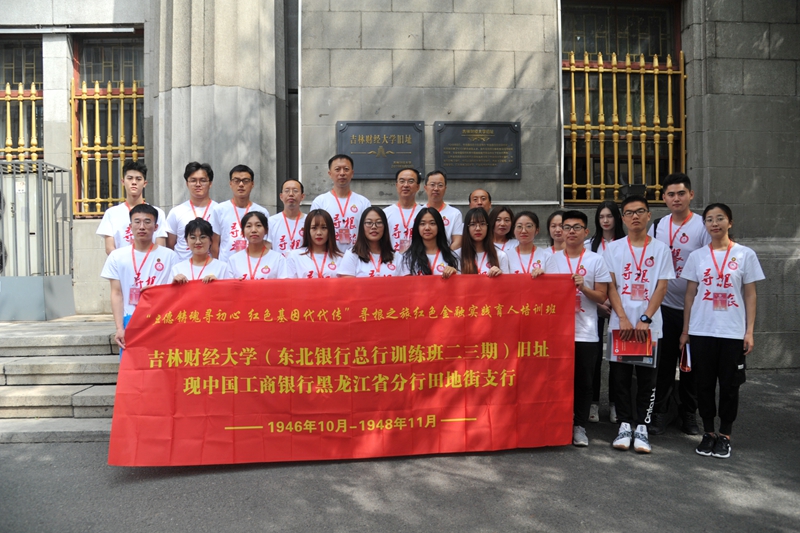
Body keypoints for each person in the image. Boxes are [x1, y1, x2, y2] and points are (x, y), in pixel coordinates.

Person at [680, 203, 764, 459]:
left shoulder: (745, 254)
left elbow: (750, 295)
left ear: (730, 222)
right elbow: (690, 295)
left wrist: (749, 331)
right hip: (702, 330)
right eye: (709, 219)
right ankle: (708, 432)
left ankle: (725, 434)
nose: (714, 223)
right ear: (705, 224)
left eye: (720, 218)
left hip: (732, 332)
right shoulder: (697, 256)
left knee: (729, 386)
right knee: (703, 384)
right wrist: (685, 331)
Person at [605, 195, 674, 454]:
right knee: (620, 378)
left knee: (647, 379)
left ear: (648, 216)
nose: (635, 216)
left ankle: (642, 426)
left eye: (640, 211)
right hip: (620, 325)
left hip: (649, 327)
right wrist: (622, 317)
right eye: (629, 212)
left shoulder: (661, 249)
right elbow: (611, 286)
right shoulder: (613, 249)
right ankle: (624, 425)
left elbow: (662, 286)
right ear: (623, 218)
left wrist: (645, 318)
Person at [647, 173, 712, 436]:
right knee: (663, 365)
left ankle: (689, 413)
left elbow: (710, 266)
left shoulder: (702, 226)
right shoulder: (657, 226)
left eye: (681, 193)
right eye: (671, 194)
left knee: (691, 365)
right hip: (663, 307)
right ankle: (660, 412)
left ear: (691, 195)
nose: (676, 198)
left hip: (694, 310)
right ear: (664, 198)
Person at [544, 210, 611, 447]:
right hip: (557, 333)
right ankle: (558, 423)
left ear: (586, 232)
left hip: (585, 332)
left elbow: (602, 296)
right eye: (567, 227)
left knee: (584, 382)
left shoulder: (596, 260)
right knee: (556, 380)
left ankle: (579, 425)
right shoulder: (550, 259)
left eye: (576, 227)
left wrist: (583, 288)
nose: (571, 231)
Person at [100, 204, 178, 351]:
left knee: (159, 362)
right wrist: (119, 328)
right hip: (130, 319)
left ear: (156, 227)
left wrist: (158, 291)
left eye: (147, 222)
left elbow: (175, 293)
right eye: (137, 222)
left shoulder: (170, 257)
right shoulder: (117, 256)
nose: (142, 227)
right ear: (130, 227)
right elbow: (116, 293)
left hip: (160, 319)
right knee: (133, 364)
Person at [587, 201, 626, 424]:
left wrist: (616, 305)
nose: (605, 220)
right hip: (596, 307)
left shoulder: (626, 244)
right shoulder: (590, 244)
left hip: (620, 308)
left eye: (609, 216)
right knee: (594, 357)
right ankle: (593, 402)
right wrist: (600, 304)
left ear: (617, 218)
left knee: (617, 359)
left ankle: (614, 404)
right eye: (601, 216)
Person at [96, 160, 167, 254]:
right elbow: (110, 248)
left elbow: (160, 246)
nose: (134, 182)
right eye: (130, 178)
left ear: (145, 183)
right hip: (121, 262)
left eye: (138, 179)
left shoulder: (157, 212)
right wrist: (126, 261)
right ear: (123, 181)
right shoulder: (111, 213)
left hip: (149, 262)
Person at [309, 154, 371, 251]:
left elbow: (369, 231)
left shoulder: (363, 202)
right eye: (337, 169)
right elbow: (313, 231)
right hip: (329, 254)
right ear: (330, 174)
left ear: (352, 173)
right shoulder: (320, 202)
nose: (342, 173)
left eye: (346, 169)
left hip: (357, 254)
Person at [210, 165, 270, 263]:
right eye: (236, 181)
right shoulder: (219, 210)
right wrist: (218, 266)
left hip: (254, 265)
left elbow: (265, 242)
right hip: (226, 265)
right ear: (230, 183)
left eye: (245, 181)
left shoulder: (262, 212)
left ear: (252, 184)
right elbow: (214, 244)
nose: (241, 184)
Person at [166, 162, 218, 261]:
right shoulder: (176, 212)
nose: (198, 184)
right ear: (187, 183)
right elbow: (169, 246)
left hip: (211, 267)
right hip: (182, 267)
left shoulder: (219, 211)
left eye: (203, 180)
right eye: (193, 180)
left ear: (210, 183)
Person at [338, 207, 407, 277]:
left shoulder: (396, 257)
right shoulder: (351, 255)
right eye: (369, 223)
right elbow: (348, 283)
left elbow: (404, 283)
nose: (374, 227)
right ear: (362, 227)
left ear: (385, 226)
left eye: (379, 222)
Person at [227, 212, 286, 280]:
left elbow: (283, 284)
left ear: (266, 230)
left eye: (258, 225)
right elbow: (228, 285)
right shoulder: (233, 260)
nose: (254, 230)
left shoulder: (278, 259)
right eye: (249, 226)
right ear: (243, 232)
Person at [285, 209, 343, 278]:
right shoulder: (294, 256)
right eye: (314, 228)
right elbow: (290, 284)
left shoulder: (341, 258)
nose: (319, 233)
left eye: (324, 228)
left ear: (330, 230)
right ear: (307, 230)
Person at [403, 207, 458, 278]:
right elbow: (407, 283)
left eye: (432, 223)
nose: (427, 228)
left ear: (439, 226)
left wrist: (454, 273)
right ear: (417, 227)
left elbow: (459, 283)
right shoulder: (408, 257)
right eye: (422, 224)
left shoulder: (451, 256)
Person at [171, 218, 231, 284]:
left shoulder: (222, 268)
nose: (198, 242)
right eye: (193, 238)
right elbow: (168, 290)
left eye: (203, 237)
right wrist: (174, 285)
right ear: (186, 241)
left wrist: (218, 284)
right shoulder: (177, 269)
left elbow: (230, 289)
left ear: (211, 240)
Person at [456, 207, 509, 276]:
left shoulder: (500, 255)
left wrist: (500, 276)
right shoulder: (457, 255)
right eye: (473, 224)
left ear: (488, 227)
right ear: (467, 228)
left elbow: (507, 282)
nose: (478, 228)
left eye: (482, 224)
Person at [384, 168, 423, 253]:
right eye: (402, 181)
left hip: (418, 259)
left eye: (411, 181)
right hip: (392, 259)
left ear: (418, 187)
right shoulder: (386, 213)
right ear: (396, 185)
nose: (406, 185)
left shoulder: (424, 214)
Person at [423, 170, 463, 250]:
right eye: (432, 185)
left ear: (445, 188)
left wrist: (444, 255)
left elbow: (457, 241)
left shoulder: (455, 213)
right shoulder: (419, 212)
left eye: (440, 185)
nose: (436, 188)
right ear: (425, 188)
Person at [267, 180, 307, 256]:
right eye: (287, 191)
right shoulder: (271, 222)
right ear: (281, 196)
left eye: (295, 191)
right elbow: (267, 250)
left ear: (302, 196)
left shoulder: (309, 221)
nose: (291, 194)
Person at [507, 211, 548, 277]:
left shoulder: (546, 256)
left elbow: (554, 281)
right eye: (519, 226)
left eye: (529, 226)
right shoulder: (506, 256)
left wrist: (544, 276)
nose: (523, 231)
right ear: (513, 230)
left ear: (537, 230)